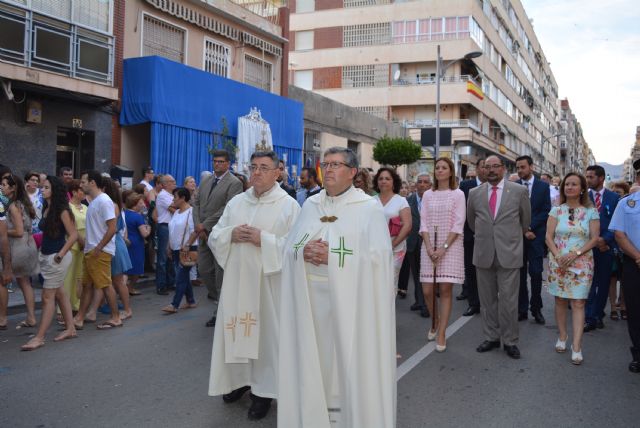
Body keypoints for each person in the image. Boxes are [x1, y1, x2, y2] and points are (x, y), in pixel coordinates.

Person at [279, 147, 395, 428]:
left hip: (351, 307)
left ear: (353, 173)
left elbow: (380, 260)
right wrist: (301, 252)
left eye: (336, 164)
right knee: (314, 361)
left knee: (345, 364)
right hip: (310, 306)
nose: (328, 169)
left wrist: (334, 259)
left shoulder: (368, 208)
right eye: (325, 164)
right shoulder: (311, 205)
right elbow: (289, 247)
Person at [207, 150, 300, 420]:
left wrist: (265, 239)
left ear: (277, 173)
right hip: (237, 282)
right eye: (254, 167)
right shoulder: (237, 202)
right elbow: (216, 235)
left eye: (264, 168)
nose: (257, 172)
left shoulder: (289, 206)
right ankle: (239, 382)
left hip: (268, 285)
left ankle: (264, 392)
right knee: (235, 334)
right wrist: (230, 234)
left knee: (265, 339)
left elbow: (297, 247)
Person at [467, 155, 531, 359]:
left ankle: (510, 340)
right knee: (487, 301)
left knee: (509, 301)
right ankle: (491, 337)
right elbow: (471, 222)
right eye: (488, 167)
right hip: (483, 253)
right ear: (483, 170)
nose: (492, 170)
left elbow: (525, 221)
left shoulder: (519, 191)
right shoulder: (474, 193)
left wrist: (509, 238)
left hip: (509, 253)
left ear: (503, 169)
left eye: (496, 166)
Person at [545, 173, 600, 364]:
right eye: (566, 184)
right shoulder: (556, 211)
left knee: (578, 303)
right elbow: (548, 237)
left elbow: (594, 238)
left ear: (582, 188)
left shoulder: (591, 212)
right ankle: (562, 336)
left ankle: (577, 346)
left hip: (582, 262)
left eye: (574, 184)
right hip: (558, 261)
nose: (569, 187)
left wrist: (575, 254)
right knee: (560, 300)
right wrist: (559, 256)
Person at [22, 176, 78, 350]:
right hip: (47, 256)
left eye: (46, 187)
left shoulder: (62, 210)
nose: (42, 189)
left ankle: (39, 337)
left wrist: (60, 255)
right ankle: (70, 328)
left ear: (55, 190)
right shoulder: (48, 208)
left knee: (47, 298)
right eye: (42, 187)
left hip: (57, 258)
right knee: (60, 294)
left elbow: (74, 235)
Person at [419, 158, 466, 351]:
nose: (439, 171)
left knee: (445, 290)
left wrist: (443, 248)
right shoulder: (428, 195)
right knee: (427, 291)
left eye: (443, 168)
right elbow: (423, 222)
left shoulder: (458, 194)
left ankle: (442, 332)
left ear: (450, 171)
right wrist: (430, 247)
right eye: (437, 168)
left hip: (450, 247)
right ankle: (435, 320)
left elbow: (458, 223)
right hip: (429, 246)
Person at [193, 150, 243, 327]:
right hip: (203, 235)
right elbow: (196, 203)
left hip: (220, 233)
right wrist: (198, 225)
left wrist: (205, 224)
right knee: (204, 270)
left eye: (221, 162)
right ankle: (218, 300)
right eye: (215, 161)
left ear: (228, 164)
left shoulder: (234, 183)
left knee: (220, 272)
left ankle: (222, 311)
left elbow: (228, 208)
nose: (217, 164)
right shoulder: (206, 180)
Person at [73, 170, 121, 330]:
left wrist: (99, 248)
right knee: (87, 285)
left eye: (83, 182)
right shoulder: (95, 201)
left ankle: (115, 317)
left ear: (93, 182)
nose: (81, 185)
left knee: (105, 285)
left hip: (99, 251)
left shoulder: (104, 201)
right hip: (92, 250)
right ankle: (79, 317)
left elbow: (112, 227)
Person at [609, 158, 640, 372]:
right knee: (636, 311)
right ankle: (638, 353)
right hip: (634, 263)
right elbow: (619, 234)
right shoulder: (627, 203)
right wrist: (638, 257)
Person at [516, 155, 551, 324]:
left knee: (536, 273)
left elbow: (546, 210)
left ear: (531, 167)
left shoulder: (543, 187)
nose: (520, 170)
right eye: (517, 168)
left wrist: (530, 228)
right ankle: (521, 309)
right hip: (518, 239)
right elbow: (511, 212)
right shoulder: (513, 187)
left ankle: (536, 308)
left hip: (536, 237)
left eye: (522, 167)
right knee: (519, 275)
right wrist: (523, 230)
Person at [584, 165, 620, 332]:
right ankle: (590, 317)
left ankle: (599, 314)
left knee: (604, 283)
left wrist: (604, 240)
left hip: (605, 248)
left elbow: (616, 223)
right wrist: (592, 240)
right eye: (587, 176)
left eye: (591, 177)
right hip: (587, 248)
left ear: (601, 178)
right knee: (588, 283)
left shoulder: (614, 198)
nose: (588, 180)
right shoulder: (583, 197)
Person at [1, 174, 39, 328]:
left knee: (3, 281)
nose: (2, 187)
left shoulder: (13, 206)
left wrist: (3, 230)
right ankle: (31, 317)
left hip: (17, 248)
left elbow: (18, 231)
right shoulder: (22, 203)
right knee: (24, 282)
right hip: (27, 246)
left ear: (13, 188)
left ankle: (2, 318)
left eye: (4, 184)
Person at [398, 173, 430, 317]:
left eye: (425, 182)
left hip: (428, 242)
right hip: (411, 243)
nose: (422, 184)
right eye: (420, 182)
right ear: (415, 184)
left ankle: (425, 304)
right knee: (416, 273)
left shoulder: (433, 200)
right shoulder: (407, 200)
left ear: (430, 185)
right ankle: (419, 301)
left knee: (425, 274)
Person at [374, 167, 411, 291]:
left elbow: (407, 226)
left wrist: (392, 244)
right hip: (374, 249)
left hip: (395, 249)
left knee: (389, 284)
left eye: (387, 179)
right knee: (375, 283)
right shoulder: (371, 201)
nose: (383, 181)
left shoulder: (401, 201)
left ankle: (388, 310)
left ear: (393, 182)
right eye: (381, 179)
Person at [161, 187, 198, 313]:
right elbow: (172, 230)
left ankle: (174, 304)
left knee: (180, 277)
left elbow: (195, 231)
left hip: (188, 248)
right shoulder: (176, 212)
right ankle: (191, 301)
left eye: (175, 197)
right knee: (184, 276)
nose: (173, 199)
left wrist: (188, 245)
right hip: (176, 248)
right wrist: (169, 246)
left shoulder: (192, 212)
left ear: (183, 198)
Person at [458, 158, 486, 314]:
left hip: (489, 238)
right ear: (477, 168)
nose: (486, 170)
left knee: (487, 272)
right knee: (470, 270)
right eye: (483, 166)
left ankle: (488, 302)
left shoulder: (493, 187)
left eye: (488, 167)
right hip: (469, 236)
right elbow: (461, 211)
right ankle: (474, 303)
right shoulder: (465, 186)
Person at [63, 180, 86, 312]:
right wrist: (80, 240)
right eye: (81, 190)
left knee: (79, 278)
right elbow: (71, 228)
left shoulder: (86, 207)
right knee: (68, 278)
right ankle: (63, 309)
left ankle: (76, 305)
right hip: (72, 245)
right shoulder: (67, 208)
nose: (83, 192)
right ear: (74, 192)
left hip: (84, 246)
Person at [609, 181, 630, 320]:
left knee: (624, 280)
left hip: (627, 248)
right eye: (614, 192)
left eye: (619, 193)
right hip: (613, 247)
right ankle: (612, 308)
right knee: (612, 278)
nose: (617, 195)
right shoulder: (611, 206)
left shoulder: (629, 207)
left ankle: (623, 306)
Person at [124, 193, 151, 295]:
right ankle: (129, 288)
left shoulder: (124, 213)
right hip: (136, 244)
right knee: (137, 268)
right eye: (141, 203)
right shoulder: (138, 217)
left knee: (126, 268)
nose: (143, 204)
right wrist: (149, 228)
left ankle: (125, 288)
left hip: (126, 242)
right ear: (135, 204)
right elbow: (144, 234)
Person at [155, 174, 176, 295]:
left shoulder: (171, 195)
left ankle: (170, 282)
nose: (175, 183)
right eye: (172, 182)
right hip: (165, 226)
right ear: (166, 184)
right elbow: (174, 209)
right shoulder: (163, 195)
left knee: (170, 256)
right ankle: (161, 285)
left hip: (171, 226)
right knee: (163, 257)